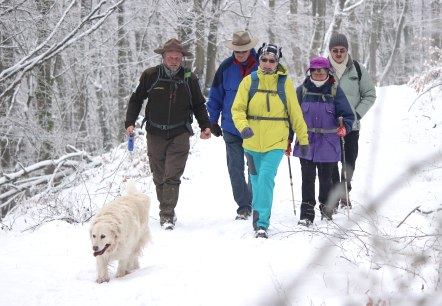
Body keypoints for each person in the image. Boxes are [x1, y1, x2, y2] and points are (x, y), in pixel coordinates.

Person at [125, 38, 211, 230]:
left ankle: (167, 216)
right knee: (159, 175)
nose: (174, 61)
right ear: (163, 57)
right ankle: (167, 208)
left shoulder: (189, 78)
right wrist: (130, 122)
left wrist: (205, 125)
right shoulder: (150, 75)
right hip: (155, 132)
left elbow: (198, 104)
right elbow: (136, 99)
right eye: (170, 58)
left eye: (178, 58)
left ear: (182, 59)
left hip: (180, 132)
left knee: (172, 175)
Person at [232, 43, 309, 238]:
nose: (267, 64)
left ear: (277, 62)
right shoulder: (249, 82)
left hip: (276, 141)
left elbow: (296, 114)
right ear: (259, 60)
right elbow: (237, 109)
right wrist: (243, 127)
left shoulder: (285, 84)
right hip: (251, 141)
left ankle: (262, 224)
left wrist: (303, 139)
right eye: (264, 60)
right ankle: (258, 219)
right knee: (257, 181)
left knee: (266, 176)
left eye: (272, 60)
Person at [292, 56, 354, 227]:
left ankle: (326, 212)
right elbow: (291, 117)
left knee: (326, 180)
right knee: (307, 179)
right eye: (315, 71)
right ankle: (306, 215)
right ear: (309, 72)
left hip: (329, 143)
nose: (319, 74)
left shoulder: (335, 91)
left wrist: (345, 127)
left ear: (328, 72)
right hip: (306, 142)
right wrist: (288, 139)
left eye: (322, 71)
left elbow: (348, 116)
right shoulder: (301, 91)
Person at [207, 30, 259, 220]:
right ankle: (243, 206)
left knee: (254, 167)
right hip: (231, 127)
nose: (240, 53)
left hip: (255, 128)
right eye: (237, 51)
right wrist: (212, 120)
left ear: (250, 48)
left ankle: (253, 201)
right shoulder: (226, 68)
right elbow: (215, 96)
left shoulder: (262, 66)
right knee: (235, 168)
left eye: (244, 50)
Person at [328, 33, 376, 209]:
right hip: (329, 126)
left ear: (347, 50)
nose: (339, 54)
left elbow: (370, 94)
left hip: (352, 126)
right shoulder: (323, 68)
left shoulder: (357, 68)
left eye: (342, 50)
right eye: (335, 50)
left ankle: (345, 191)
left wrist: (355, 114)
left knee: (349, 161)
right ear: (330, 51)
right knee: (331, 162)